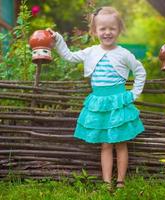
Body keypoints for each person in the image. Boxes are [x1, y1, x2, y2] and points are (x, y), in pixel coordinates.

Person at [47, 6, 146, 189]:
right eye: (102, 29)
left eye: (112, 28)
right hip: (99, 104)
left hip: (118, 104)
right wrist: (58, 39)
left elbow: (140, 71)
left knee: (120, 143)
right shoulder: (91, 52)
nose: (107, 32)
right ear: (94, 31)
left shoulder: (124, 54)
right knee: (106, 144)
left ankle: (121, 181)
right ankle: (107, 182)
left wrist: (134, 93)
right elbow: (69, 56)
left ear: (119, 30)